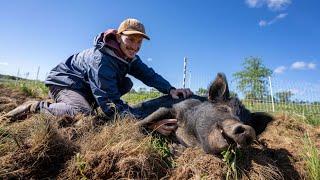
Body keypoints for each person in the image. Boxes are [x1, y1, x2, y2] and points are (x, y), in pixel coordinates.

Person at [5, 18, 193, 136]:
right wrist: (147, 123)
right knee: (82, 114)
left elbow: (148, 75)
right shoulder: (102, 60)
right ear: (119, 38)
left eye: (139, 42)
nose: (135, 46)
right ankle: (37, 106)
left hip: (85, 85)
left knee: (126, 83)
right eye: (130, 40)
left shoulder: (130, 57)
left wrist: (170, 89)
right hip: (65, 82)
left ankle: (73, 104)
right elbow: (111, 103)